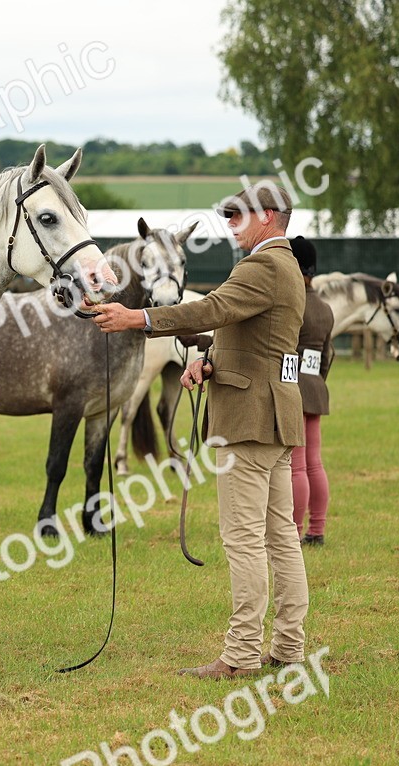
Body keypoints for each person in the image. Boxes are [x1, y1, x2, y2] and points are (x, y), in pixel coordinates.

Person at [90, 183, 309, 679]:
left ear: (269, 216)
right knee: (280, 537)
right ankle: (289, 646)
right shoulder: (288, 265)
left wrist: (138, 317)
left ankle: (240, 655)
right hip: (275, 413)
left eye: (239, 215)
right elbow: (254, 334)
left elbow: (209, 309)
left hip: (250, 419)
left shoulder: (261, 266)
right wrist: (209, 362)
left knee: (244, 539)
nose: (231, 224)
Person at [288, 237, 334, 546]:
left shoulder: (292, 303)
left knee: (296, 466)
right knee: (314, 464)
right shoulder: (324, 307)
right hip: (316, 387)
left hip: (291, 388)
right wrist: (316, 381)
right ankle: (317, 529)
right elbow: (327, 355)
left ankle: (292, 531)